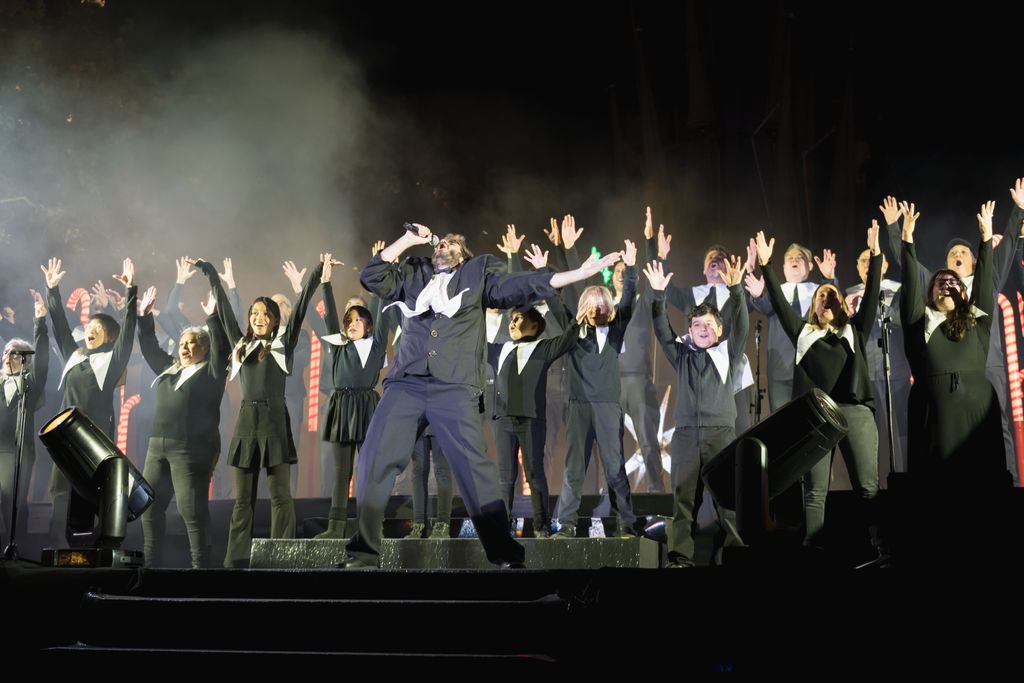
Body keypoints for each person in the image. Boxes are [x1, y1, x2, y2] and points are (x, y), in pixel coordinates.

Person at [337, 224, 622, 568]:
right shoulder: (415, 272)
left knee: (476, 470)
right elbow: (372, 275)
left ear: (464, 254)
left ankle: (504, 553)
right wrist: (408, 241)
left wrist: (577, 273)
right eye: (440, 242)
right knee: (374, 457)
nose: (443, 244)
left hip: (455, 386)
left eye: (452, 242)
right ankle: (364, 553)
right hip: (407, 381)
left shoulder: (479, 272)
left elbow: (521, 286)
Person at [755, 223, 882, 549]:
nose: (826, 297)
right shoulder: (803, 335)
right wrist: (767, 266)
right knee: (814, 490)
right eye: (820, 294)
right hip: (816, 417)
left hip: (855, 411)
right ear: (813, 305)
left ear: (841, 303)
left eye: (832, 293)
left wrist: (877, 256)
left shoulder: (855, 330)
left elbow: (871, 294)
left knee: (867, 486)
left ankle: (879, 545)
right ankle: (814, 548)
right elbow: (781, 306)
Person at [192, 254, 323, 567]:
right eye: (254, 313)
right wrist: (211, 274)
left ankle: (283, 556)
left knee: (280, 495)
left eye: (265, 313)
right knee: (243, 499)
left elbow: (303, 302)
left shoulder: (283, 343)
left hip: (275, 419)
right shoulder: (241, 344)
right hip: (247, 422)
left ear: (275, 319)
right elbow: (224, 312)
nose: (258, 317)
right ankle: (235, 558)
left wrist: (317, 272)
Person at [645, 255, 747, 567]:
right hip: (687, 435)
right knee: (684, 501)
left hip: (721, 434)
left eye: (709, 324)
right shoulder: (683, 356)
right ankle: (680, 557)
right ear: (690, 330)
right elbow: (662, 331)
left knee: (727, 501)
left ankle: (734, 554)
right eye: (696, 325)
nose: (702, 329)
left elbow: (741, 325)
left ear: (719, 330)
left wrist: (737, 290)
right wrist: (659, 296)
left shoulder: (727, 354)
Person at [43, 257, 137, 546]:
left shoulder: (111, 360)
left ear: (108, 335)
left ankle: (98, 550)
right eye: (89, 325)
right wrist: (53, 291)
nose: (90, 329)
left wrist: (131, 292)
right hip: (64, 439)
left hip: (94, 439)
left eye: (98, 326)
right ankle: (60, 547)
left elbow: (128, 335)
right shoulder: (75, 356)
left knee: (93, 496)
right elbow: (59, 326)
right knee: (61, 494)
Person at [136, 287, 229, 567]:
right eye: (182, 343)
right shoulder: (170, 367)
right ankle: (151, 567)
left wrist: (213, 317)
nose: (185, 348)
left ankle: (201, 571)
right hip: (157, 447)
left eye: (192, 343)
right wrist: (144, 316)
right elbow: (150, 346)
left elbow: (222, 349)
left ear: (205, 347)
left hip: (190, 449)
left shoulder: (212, 372)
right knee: (149, 508)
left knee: (191, 510)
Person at [0, 290, 48, 547]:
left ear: (25, 360)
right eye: (7, 352)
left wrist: (40, 321)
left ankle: (18, 547)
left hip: (16, 450)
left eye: (15, 353)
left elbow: (42, 361)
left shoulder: (29, 385)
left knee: (13, 501)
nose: (9, 356)